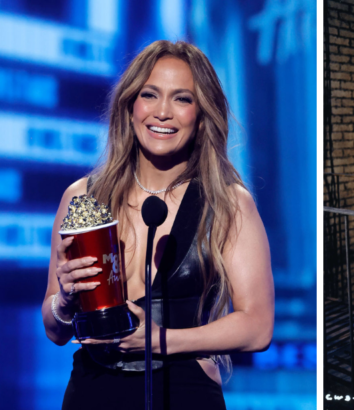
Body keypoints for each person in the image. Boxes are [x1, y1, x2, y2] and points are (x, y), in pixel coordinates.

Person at [41, 40, 274, 409]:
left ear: (201, 115)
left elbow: (258, 327)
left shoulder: (227, 203)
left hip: (184, 390)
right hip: (92, 389)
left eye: (182, 99)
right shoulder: (82, 197)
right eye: (150, 94)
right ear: (130, 105)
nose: (162, 112)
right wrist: (66, 301)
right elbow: (54, 329)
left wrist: (161, 339)